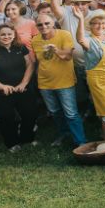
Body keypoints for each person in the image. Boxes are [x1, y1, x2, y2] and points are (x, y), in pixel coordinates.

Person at [0, 24, 36, 151]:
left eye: (9, 34)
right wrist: (1, 86)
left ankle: (27, 138)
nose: (6, 37)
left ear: (14, 35)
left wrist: (24, 83)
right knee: (7, 117)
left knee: (30, 113)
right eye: (3, 34)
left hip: (21, 88)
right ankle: (12, 143)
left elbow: (30, 65)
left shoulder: (20, 47)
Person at [31, 12, 86, 147]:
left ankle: (80, 142)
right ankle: (64, 134)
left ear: (53, 23)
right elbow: (39, 62)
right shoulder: (35, 40)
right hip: (45, 83)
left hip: (64, 82)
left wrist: (56, 50)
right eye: (40, 24)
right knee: (55, 112)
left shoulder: (64, 35)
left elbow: (67, 57)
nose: (43, 26)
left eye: (47, 23)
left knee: (71, 113)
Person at [73, 8, 105, 141]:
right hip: (99, 82)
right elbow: (80, 39)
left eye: (103, 23)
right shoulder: (90, 41)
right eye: (96, 23)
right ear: (90, 26)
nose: (100, 26)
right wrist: (80, 19)